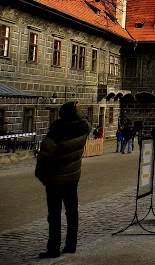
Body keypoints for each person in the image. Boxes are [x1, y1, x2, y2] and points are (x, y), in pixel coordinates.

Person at [35, 100, 90, 258]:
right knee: (72, 212)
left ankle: (53, 248)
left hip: (55, 178)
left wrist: (40, 174)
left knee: (54, 214)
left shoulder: (57, 128)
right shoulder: (83, 128)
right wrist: (77, 109)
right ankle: (71, 244)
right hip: (73, 177)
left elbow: (45, 154)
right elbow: (86, 120)